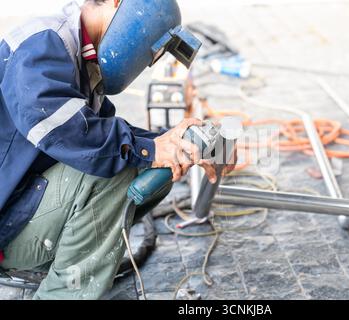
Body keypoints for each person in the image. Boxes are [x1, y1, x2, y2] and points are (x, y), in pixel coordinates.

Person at [0, 0, 221, 299]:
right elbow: (68, 132)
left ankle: (68, 262)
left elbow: (107, 133)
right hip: (7, 226)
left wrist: (177, 144)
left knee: (147, 164)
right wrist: (151, 149)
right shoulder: (44, 42)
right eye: (151, 50)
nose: (148, 61)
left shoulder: (80, 58)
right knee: (117, 170)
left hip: (19, 205)